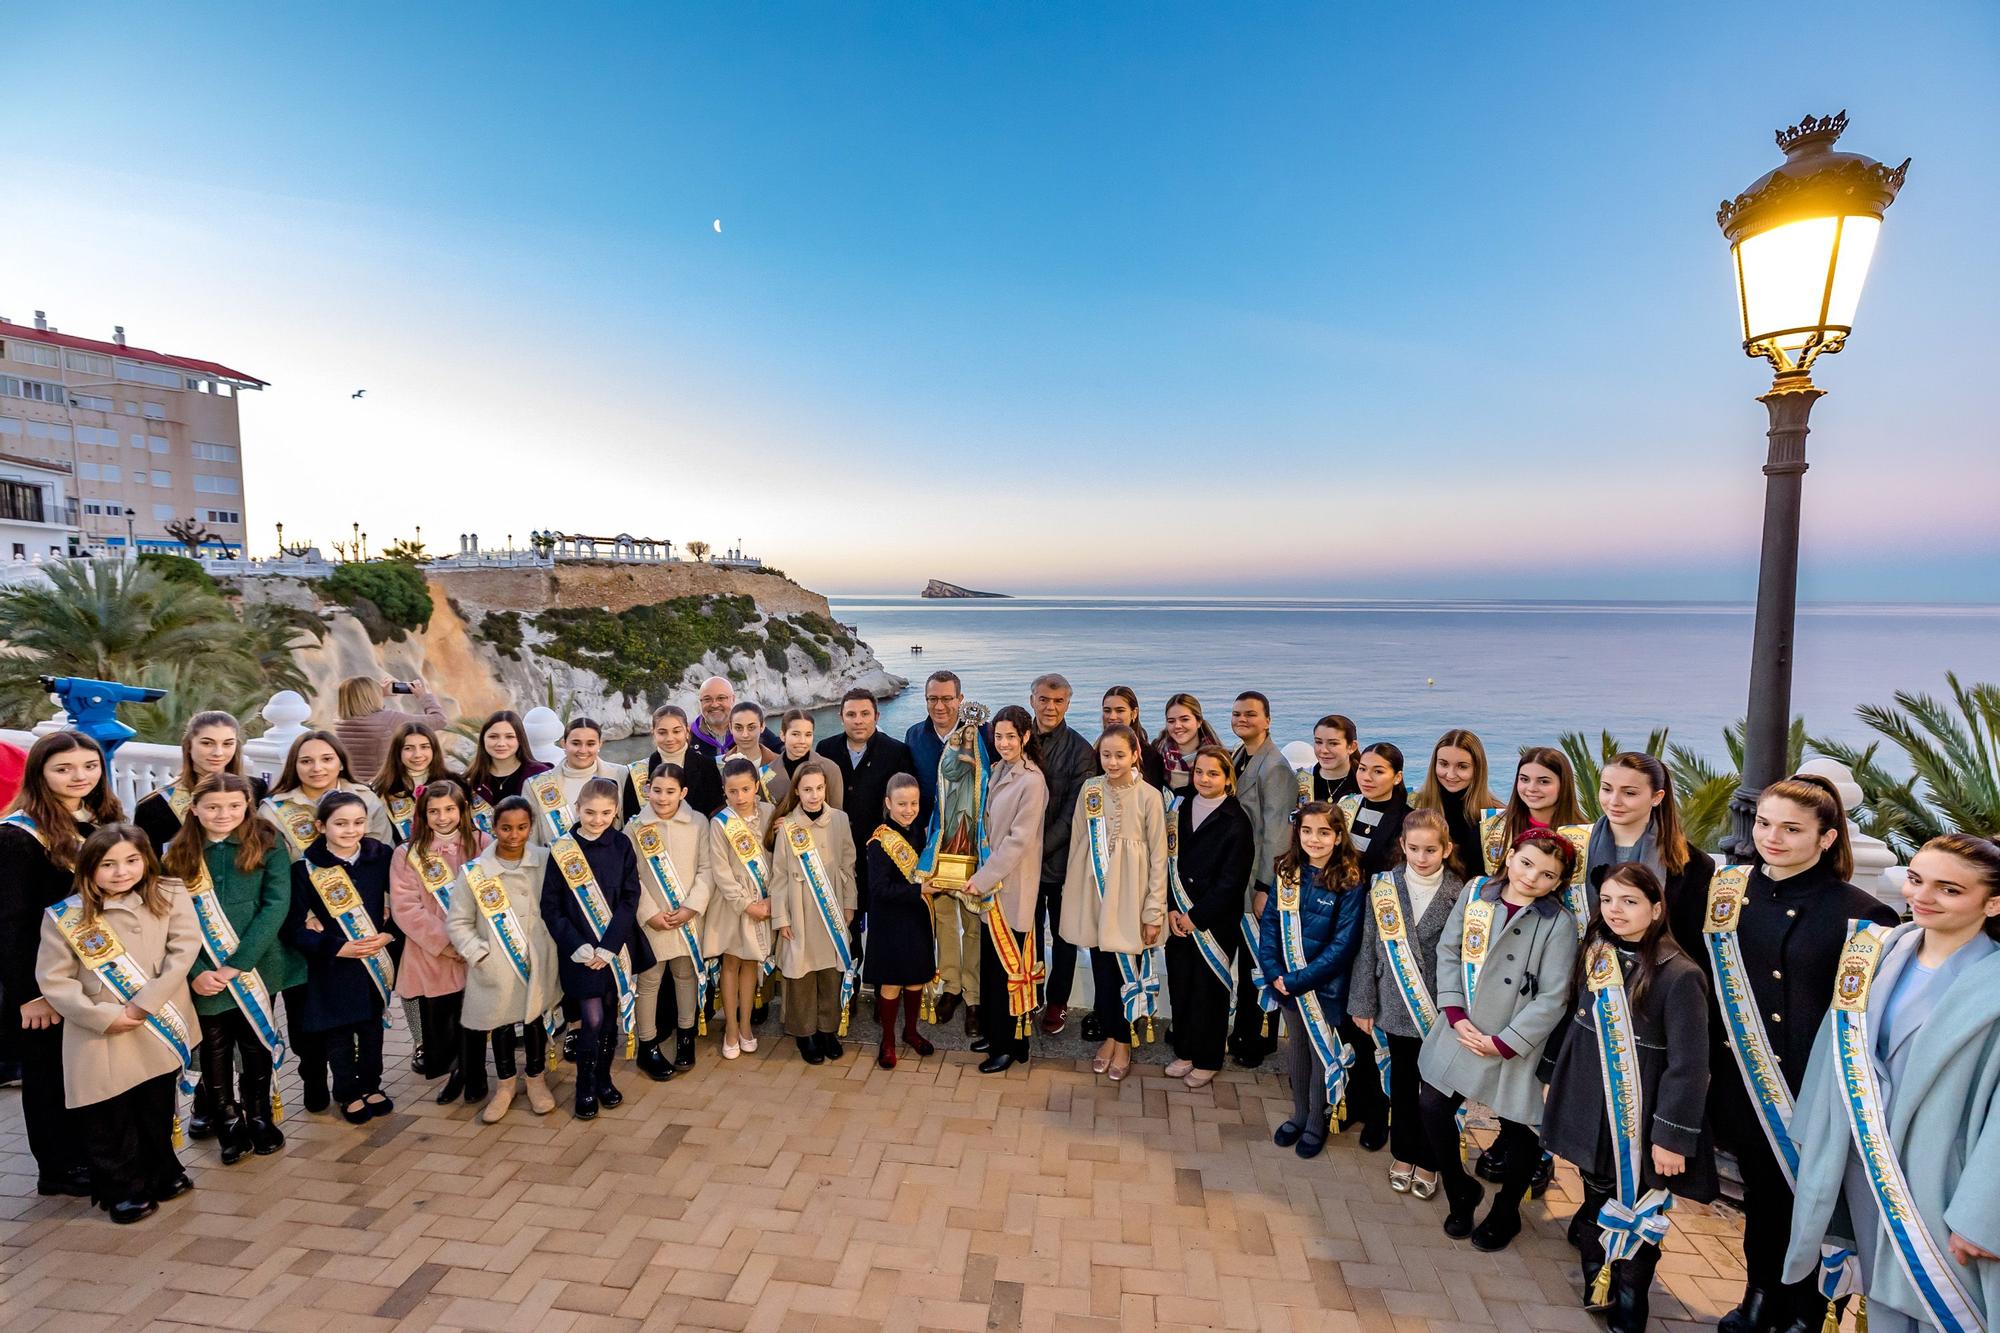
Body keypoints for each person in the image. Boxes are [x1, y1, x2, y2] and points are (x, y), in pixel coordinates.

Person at [1699, 775, 1901, 1333]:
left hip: (1818, 1092)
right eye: (1764, 823)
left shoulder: (1863, 915)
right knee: (1764, 1199)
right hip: (1745, 1082)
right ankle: (1760, 1294)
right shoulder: (1729, 892)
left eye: (1792, 829)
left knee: (1820, 1208)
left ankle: (1812, 1310)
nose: (1773, 838)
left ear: (1828, 838)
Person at [1782, 834, 2000, 1333]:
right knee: (1881, 1303)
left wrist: (1985, 1214)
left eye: (1949, 890)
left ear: (1993, 902)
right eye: (1917, 879)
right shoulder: (1877, 952)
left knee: (1945, 1312)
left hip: (1946, 1181)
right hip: (1864, 1166)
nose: (1921, 897)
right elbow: (1831, 1052)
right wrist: (1816, 1147)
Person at [1542, 864, 1716, 1332]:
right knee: (1597, 1189)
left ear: (1657, 909)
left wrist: (1673, 1136)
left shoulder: (1680, 975)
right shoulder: (1596, 950)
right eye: (1608, 900)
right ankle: (1596, 1271)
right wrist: (1551, 1072)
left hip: (1640, 1115)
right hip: (1586, 1097)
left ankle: (1630, 1293)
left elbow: (1689, 1064)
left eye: (1630, 901)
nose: (1615, 910)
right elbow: (1572, 1016)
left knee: (1640, 1207)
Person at [1418, 828, 1581, 1253]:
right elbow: (1449, 951)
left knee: (1521, 1129)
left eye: (1548, 875)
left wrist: (1508, 1042)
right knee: (1432, 1105)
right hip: (1463, 1025)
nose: (1532, 878)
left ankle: (1507, 1209)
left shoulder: (1559, 923)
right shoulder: (1477, 894)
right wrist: (1453, 1013)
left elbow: (1553, 994)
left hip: (1515, 1039)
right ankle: (1459, 1188)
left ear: (1558, 883)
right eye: (1526, 863)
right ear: (1509, 856)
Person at [35, 824, 200, 1224]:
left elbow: (185, 947)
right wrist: (106, 1017)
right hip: (102, 1031)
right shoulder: (66, 917)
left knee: (156, 1105)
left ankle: (162, 1170)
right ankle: (121, 1188)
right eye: (108, 864)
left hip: (158, 1018)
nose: (121, 871)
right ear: (88, 868)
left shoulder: (169, 893)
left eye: (131, 861)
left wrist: (145, 1004)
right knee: (109, 1115)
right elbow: (54, 980)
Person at [1, 731, 121, 1198]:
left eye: (89, 766)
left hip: (95, 975)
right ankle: (56, 1167)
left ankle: (89, 1153)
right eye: (64, 769)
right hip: (45, 982)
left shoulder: (100, 822)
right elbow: (9, 925)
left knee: (85, 1069)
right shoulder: (17, 836)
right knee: (49, 1076)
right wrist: (31, 995)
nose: (79, 777)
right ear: (40, 774)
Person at [162, 773, 300, 1165]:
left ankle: (258, 1115)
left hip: (255, 967)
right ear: (194, 809)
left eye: (234, 806)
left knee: (255, 1041)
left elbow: (275, 906)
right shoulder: (176, 854)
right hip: (201, 973)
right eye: (213, 807)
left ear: (247, 806)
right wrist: (196, 972)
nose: (224, 814)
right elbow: (171, 920)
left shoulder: (268, 844)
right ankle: (228, 1122)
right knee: (214, 1049)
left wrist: (237, 964)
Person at [1349, 808, 1465, 1200]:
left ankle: (1430, 1158)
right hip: (1395, 1000)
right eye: (1414, 848)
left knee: (1435, 1089)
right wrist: (1362, 1002)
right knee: (1400, 1083)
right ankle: (1403, 1153)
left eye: (1430, 849)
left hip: (1438, 1007)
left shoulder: (1462, 892)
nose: (1421, 856)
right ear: (1402, 845)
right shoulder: (1383, 887)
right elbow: (1367, 947)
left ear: (1446, 849)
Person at [261, 730, 385, 1095]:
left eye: (327, 758)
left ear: (340, 761)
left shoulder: (364, 797)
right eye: (306, 760)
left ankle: (358, 1083)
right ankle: (313, 1076)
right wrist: (303, 912)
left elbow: (379, 852)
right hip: (302, 914)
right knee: (306, 1007)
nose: (317, 768)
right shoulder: (274, 807)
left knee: (361, 1012)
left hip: (355, 915)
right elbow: (274, 864)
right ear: (294, 765)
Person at [1257, 800, 1366, 1160]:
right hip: (1286, 983)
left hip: (1325, 988)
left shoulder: (1349, 881)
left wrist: (1300, 979)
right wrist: (1273, 971)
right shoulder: (1288, 871)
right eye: (1307, 831)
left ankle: (1317, 1122)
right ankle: (1299, 1114)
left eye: (1323, 832)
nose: (1314, 839)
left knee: (1322, 1053)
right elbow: (1270, 923)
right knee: (1297, 1048)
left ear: (1338, 836)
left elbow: (1343, 944)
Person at [283, 790, 399, 1124]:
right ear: (320, 826)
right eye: (340, 824)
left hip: (374, 962)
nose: (350, 830)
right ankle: (347, 1091)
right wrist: (337, 947)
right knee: (340, 1034)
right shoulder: (305, 870)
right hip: (333, 965)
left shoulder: (381, 857)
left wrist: (391, 936)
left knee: (372, 1028)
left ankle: (371, 1084)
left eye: (358, 822)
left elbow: (401, 904)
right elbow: (293, 930)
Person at [1060, 725, 1168, 1083]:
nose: (1113, 762)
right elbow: (1079, 842)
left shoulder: (1151, 796)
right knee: (1103, 974)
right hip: (1096, 896)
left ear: (1136, 753)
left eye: (1120, 754)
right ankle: (1109, 1035)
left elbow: (1158, 859)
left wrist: (1152, 912)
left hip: (1131, 900)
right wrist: (1077, 896)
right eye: (1106, 755)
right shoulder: (1091, 791)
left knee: (1127, 974)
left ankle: (1124, 1041)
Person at [445, 796, 560, 1123]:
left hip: (537, 958)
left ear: (531, 826)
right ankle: (506, 1084)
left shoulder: (545, 860)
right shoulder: (475, 873)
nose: (514, 835)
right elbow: (458, 922)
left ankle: (536, 1079)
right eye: (506, 828)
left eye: (522, 827)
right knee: (502, 1024)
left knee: (535, 1018)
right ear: (493, 827)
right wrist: (482, 954)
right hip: (498, 964)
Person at [539, 777, 649, 1120]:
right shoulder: (562, 849)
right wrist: (578, 946)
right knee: (592, 1018)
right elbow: (550, 907)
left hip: (615, 950)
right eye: (590, 812)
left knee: (608, 1016)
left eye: (605, 813)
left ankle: (604, 1078)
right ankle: (584, 1085)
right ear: (577, 809)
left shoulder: (621, 845)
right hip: (580, 955)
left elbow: (631, 897)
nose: (597, 819)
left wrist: (609, 947)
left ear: (615, 811)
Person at [1162, 745, 1252, 1089]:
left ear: (1228, 778)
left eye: (1213, 773)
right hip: (1178, 916)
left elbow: (1232, 881)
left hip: (1212, 922)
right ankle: (1185, 1051)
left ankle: (1209, 1057)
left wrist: (1195, 917)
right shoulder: (1180, 808)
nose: (1204, 779)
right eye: (1199, 771)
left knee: (1210, 990)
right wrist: (1172, 908)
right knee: (1181, 985)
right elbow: (1169, 862)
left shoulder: (1236, 820)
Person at [964, 705, 1048, 1074]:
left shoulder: (1032, 781)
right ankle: (995, 1031)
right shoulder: (998, 769)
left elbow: (1017, 843)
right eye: (998, 737)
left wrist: (979, 880)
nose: (1003, 743)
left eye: (1011, 736)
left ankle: (1011, 1045)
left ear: (1025, 737)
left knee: (1010, 972)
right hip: (991, 887)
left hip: (1010, 887)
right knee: (992, 970)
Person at [390, 780, 482, 1105]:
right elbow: (406, 908)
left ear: (462, 810)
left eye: (449, 810)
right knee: (443, 1020)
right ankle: (457, 1070)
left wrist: (469, 943)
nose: (442, 817)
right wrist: (446, 944)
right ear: (422, 814)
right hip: (432, 951)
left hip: (475, 949)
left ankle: (472, 1075)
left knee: (474, 1014)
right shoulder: (407, 853)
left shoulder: (481, 843)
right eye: (433, 811)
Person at [767, 760, 857, 1065]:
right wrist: (781, 918)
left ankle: (827, 1030)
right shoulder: (787, 827)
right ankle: (804, 1033)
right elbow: (778, 877)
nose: (814, 795)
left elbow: (848, 866)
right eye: (807, 789)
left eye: (819, 788)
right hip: (799, 910)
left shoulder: (840, 820)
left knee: (830, 975)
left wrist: (849, 904)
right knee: (802, 975)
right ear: (797, 791)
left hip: (830, 908)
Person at [625, 763, 711, 1078]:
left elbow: (707, 869)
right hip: (653, 920)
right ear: (647, 790)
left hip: (688, 917)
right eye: (656, 790)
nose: (662, 798)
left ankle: (686, 1036)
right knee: (648, 982)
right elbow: (630, 878)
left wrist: (691, 907)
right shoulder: (635, 828)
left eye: (670, 791)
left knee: (686, 976)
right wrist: (649, 914)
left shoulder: (699, 823)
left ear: (683, 793)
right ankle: (647, 1045)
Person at [904, 672, 979, 1031]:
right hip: (933, 844)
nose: (940, 705)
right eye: (933, 698)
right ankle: (951, 986)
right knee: (945, 918)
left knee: (974, 919)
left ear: (960, 699)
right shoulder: (915, 736)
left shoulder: (981, 735)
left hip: (970, 841)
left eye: (947, 698)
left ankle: (975, 996)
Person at [1585, 752, 1716, 955]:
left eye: (1629, 793)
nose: (1614, 801)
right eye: (1607, 789)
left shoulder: (1692, 863)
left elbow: (1693, 943)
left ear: (1657, 797)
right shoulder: (1576, 847)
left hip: (1657, 976)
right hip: (1584, 973)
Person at [1029, 674, 1097, 1037]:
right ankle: (1033, 993)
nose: (1050, 707)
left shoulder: (1081, 750)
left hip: (1061, 862)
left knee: (1064, 934)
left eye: (1057, 701)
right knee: (1030, 933)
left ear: (1067, 703)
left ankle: (1057, 1001)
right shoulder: (1019, 739)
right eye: (1043, 700)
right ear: (1032, 700)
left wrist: (1035, 849)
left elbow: (1075, 814)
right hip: (1024, 863)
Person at [1229, 691, 1293, 1068]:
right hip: (1241, 877)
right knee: (1246, 961)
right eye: (1237, 714)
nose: (1242, 720)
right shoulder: (1240, 756)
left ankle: (1257, 1039)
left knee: (1258, 963)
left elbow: (1278, 834)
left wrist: (1266, 887)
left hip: (1259, 883)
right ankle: (1243, 1029)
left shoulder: (1276, 767)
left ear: (1267, 720)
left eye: (1250, 714)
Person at [863, 773, 940, 1069]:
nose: (908, 809)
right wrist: (919, 889)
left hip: (917, 917)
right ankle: (888, 1040)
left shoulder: (921, 833)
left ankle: (910, 1032)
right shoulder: (879, 841)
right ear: (888, 803)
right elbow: (880, 890)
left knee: (915, 980)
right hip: (890, 923)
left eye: (914, 803)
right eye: (902, 804)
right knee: (892, 983)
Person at [706, 758, 776, 1059]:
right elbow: (720, 872)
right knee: (731, 963)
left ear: (756, 786)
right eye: (733, 791)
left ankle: (747, 1024)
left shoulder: (771, 814)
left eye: (746, 789)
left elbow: (779, 860)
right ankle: (731, 1027)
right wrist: (746, 905)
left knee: (751, 965)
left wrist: (771, 900)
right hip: (733, 906)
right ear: (725, 791)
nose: (740, 796)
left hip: (764, 901)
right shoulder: (719, 822)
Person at [132, 711, 268, 854]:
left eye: (227, 744)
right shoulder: (155, 806)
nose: (218, 753)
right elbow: (148, 866)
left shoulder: (256, 788)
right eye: (207, 743)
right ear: (189, 745)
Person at [1412, 729, 1501, 883]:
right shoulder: (1414, 807)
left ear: (1477, 769)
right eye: (1444, 764)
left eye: (1462, 766)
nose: (1451, 774)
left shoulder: (1496, 817)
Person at [1481, 745, 1586, 874]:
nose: (1531, 788)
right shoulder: (1494, 827)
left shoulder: (1586, 836)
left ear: (1563, 784)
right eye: (1524, 779)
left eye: (1543, 782)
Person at [333, 674, 447, 783]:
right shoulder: (389, 719)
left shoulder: (338, 723)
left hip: (350, 786)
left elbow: (357, 706)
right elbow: (439, 720)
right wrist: (424, 697)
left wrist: (377, 694)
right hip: (381, 786)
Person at [624, 702, 724, 821]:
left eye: (676, 731)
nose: (670, 738)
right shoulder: (639, 771)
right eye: (662, 732)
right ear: (653, 733)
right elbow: (631, 817)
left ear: (687, 731)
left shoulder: (707, 766)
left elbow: (715, 813)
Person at [367, 720, 451, 846]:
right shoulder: (381, 789)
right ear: (397, 752)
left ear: (434, 749)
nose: (417, 755)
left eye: (424, 747)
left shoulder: (454, 783)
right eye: (408, 748)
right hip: (402, 860)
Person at [463, 710, 554, 813]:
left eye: (509, 737)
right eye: (493, 737)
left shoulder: (541, 775)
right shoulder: (471, 780)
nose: (501, 743)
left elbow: (558, 821)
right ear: (483, 739)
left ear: (520, 739)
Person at [554, 717, 631, 828]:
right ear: (564, 744)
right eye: (576, 744)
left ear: (600, 744)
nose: (583, 750)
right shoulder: (539, 785)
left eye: (590, 744)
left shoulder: (622, 774)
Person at [692, 676, 779, 756]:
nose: (714, 704)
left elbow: (782, 752)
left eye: (721, 698)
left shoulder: (751, 728)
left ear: (733, 699)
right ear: (700, 702)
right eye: (707, 699)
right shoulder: (689, 737)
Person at [1156, 693, 1223, 797]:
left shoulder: (1216, 757)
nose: (1177, 726)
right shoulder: (1157, 752)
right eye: (1171, 721)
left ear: (1199, 721)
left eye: (1185, 719)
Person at [725, 702, 790, 808]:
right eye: (738, 728)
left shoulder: (781, 765)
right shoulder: (719, 766)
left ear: (762, 726)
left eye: (751, 728)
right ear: (730, 728)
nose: (745, 734)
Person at [1102, 686, 1168, 788]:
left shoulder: (1150, 757)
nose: (1112, 716)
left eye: (1120, 710)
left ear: (1134, 713)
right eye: (1107, 711)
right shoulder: (1096, 753)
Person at [778, 709, 843, 809]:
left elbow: (837, 814)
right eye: (795, 734)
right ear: (783, 736)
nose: (802, 741)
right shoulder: (766, 772)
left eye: (808, 735)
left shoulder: (830, 769)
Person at [1299, 715, 1361, 806]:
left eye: (1333, 743)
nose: (1324, 750)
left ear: (1352, 747)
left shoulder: (1365, 784)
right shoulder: (1301, 780)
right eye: (1319, 742)